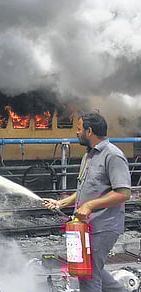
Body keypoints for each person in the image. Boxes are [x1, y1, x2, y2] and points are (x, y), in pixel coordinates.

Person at [44, 112, 131, 292]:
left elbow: (123, 193)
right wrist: (62, 203)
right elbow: (87, 190)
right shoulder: (89, 156)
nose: (76, 133)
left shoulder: (113, 156)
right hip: (86, 226)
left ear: (89, 131)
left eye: (78, 129)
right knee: (91, 269)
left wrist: (89, 205)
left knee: (87, 274)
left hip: (103, 226)